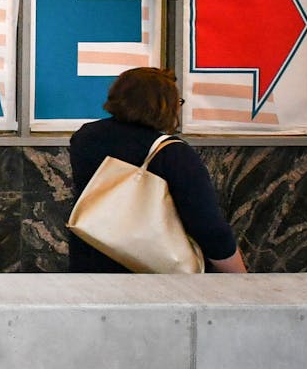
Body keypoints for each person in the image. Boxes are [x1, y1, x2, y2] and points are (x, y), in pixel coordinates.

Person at [68, 67, 247, 273]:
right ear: (164, 107)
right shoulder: (172, 154)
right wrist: (241, 278)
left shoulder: (86, 137)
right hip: (153, 274)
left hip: (91, 264)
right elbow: (209, 228)